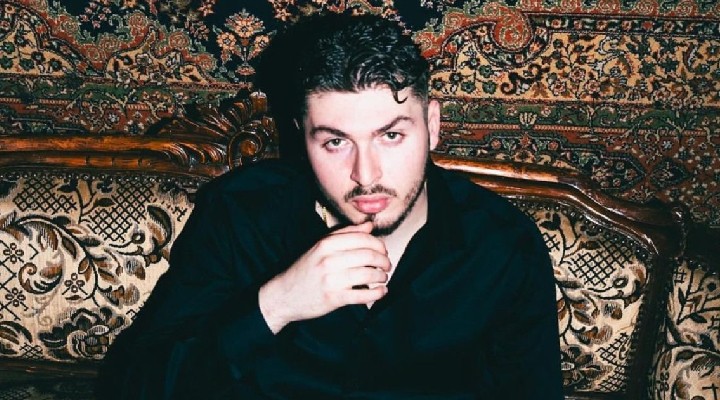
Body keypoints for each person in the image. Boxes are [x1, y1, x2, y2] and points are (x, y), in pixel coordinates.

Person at [97, 12, 563, 399]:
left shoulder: (502, 246)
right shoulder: (242, 214)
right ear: (302, 137)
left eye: (391, 135)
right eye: (336, 142)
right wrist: (276, 304)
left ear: (432, 125)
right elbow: (130, 387)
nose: (366, 174)